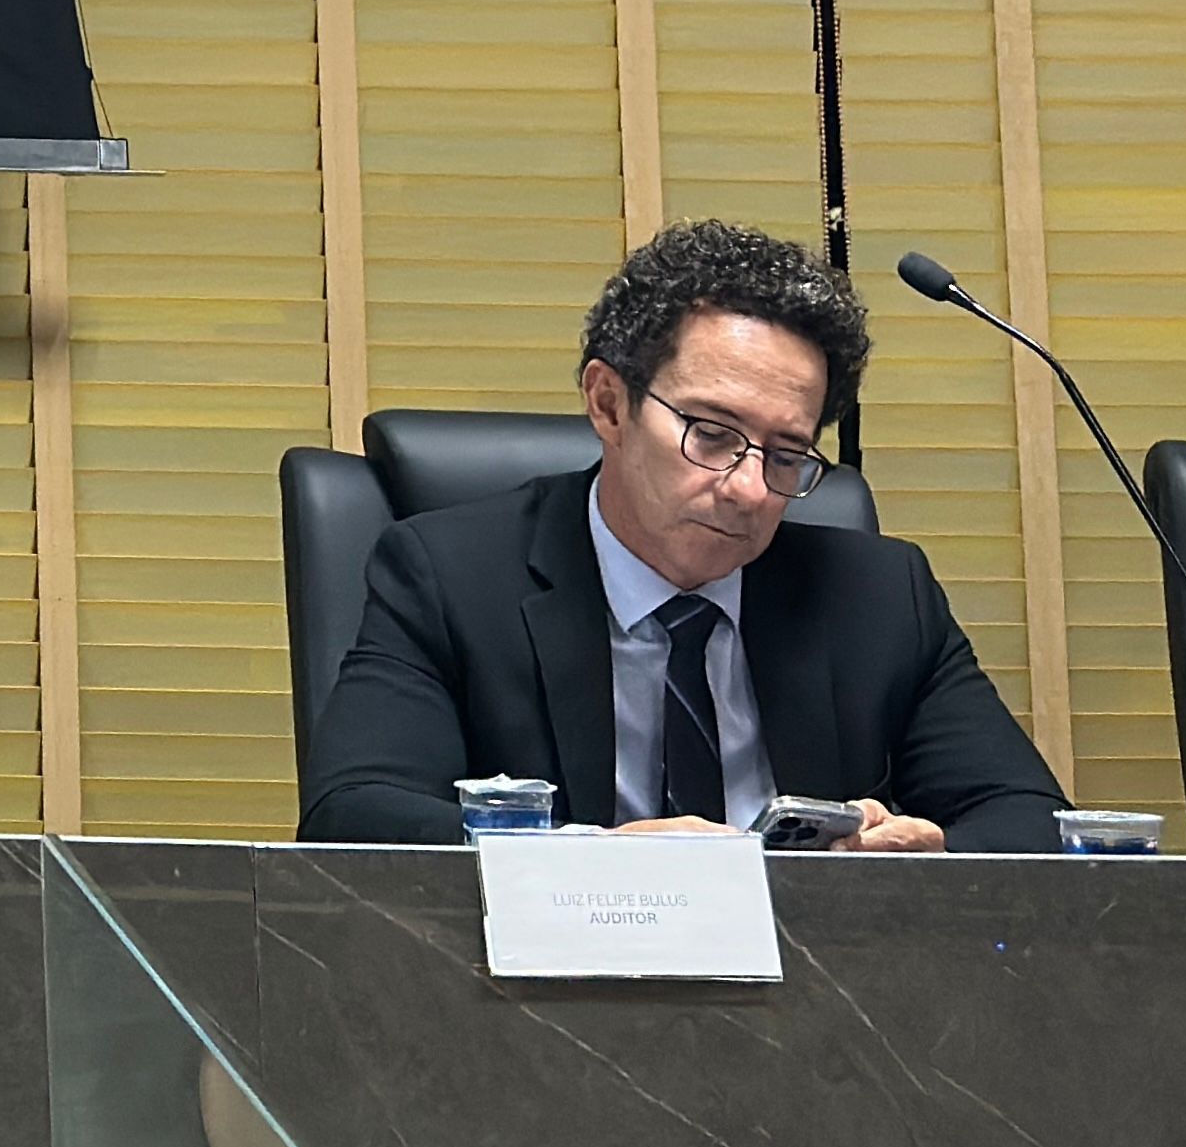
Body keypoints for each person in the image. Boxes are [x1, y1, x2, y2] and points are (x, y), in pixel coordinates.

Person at [299, 220, 1064, 850]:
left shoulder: (880, 595)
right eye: (712, 434)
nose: (748, 487)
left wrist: (929, 855)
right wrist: (596, 861)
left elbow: (1032, 822)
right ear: (609, 404)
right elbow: (355, 815)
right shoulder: (449, 575)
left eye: (786, 455)